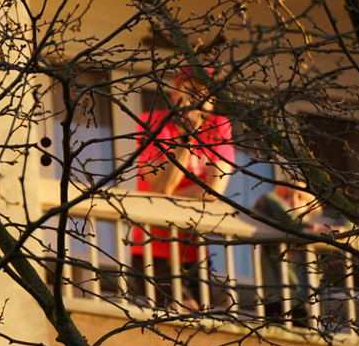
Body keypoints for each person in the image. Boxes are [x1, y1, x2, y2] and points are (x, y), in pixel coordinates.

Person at [130, 68, 234, 310]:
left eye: (206, 90)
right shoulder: (153, 123)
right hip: (153, 249)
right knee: (184, 312)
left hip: (195, 253)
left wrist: (168, 198)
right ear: (175, 93)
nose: (199, 96)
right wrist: (184, 139)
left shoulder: (219, 128)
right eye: (192, 88)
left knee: (210, 315)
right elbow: (161, 186)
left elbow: (212, 192)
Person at [251, 173, 323, 325]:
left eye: (301, 197)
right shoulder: (276, 226)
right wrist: (305, 227)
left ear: (310, 206)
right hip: (276, 302)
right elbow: (268, 199)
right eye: (287, 196)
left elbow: (348, 222)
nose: (294, 201)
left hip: (306, 304)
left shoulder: (317, 233)